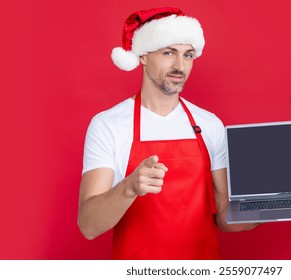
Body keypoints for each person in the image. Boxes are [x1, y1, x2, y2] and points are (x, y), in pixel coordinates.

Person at [78, 7, 257, 260]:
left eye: (188, 55)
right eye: (168, 52)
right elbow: (88, 225)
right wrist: (129, 187)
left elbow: (225, 216)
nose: (179, 66)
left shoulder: (210, 124)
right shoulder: (108, 125)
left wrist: (268, 209)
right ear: (142, 56)